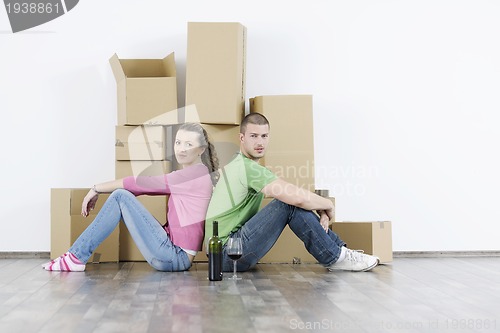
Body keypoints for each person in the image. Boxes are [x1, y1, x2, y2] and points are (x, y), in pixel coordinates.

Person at [204, 113, 379, 272]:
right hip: (226, 253)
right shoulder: (247, 168)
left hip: (224, 253)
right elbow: (295, 199)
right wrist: (328, 204)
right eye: (253, 136)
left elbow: (294, 194)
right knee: (289, 204)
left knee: (291, 201)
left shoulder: (241, 165)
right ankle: (336, 257)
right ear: (241, 138)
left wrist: (319, 207)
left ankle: (340, 252)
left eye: (264, 136)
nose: (260, 142)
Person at [43, 122, 219, 272]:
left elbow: (143, 183)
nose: (181, 149)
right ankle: (75, 256)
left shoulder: (194, 175)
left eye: (188, 144)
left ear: (201, 149)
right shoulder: (195, 173)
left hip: (175, 257)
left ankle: (75, 257)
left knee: (120, 195)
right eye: (178, 142)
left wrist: (96, 188)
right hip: (172, 252)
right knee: (121, 195)